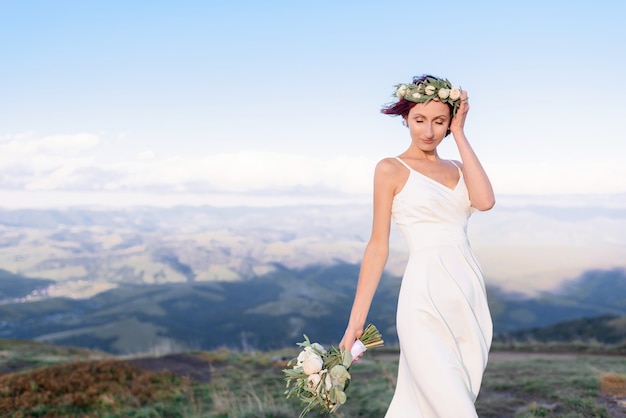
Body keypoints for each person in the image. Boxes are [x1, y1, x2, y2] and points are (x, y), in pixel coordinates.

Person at [339, 74, 495, 417]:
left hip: (467, 293)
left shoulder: (458, 166)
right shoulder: (390, 169)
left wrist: (461, 134)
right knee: (454, 407)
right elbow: (378, 246)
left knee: (439, 402)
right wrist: (355, 323)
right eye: (419, 120)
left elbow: (484, 201)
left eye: (439, 122)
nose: (428, 131)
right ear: (406, 119)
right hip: (423, 296)